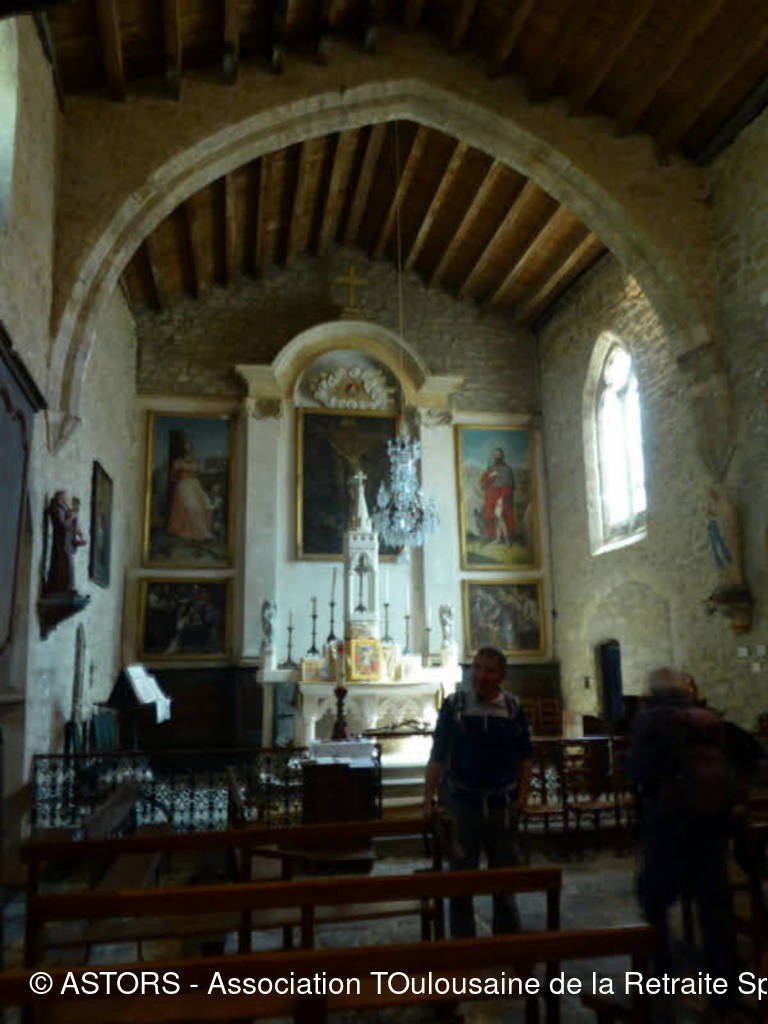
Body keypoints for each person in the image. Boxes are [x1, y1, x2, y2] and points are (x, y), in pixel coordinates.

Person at [627, 667, 739, 1016]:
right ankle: (726, 989)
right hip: (711, 823)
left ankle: (663, 975)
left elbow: (636, 769)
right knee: (714, 906)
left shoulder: (650, 719)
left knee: (653, 898)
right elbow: (743, 760)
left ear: (652, 691)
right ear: (687, 691)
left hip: (668, 824)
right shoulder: (710, 719)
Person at [423, 646, 532, 937]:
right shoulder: (455, 705)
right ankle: (464, 949)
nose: (482, 676)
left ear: (502, 676)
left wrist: (522, 797)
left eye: (490, 671)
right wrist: (428, 798)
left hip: (501, 806)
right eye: (478, 668)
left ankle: (507, 944)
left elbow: (525, 757)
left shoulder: (513, 708)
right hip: (462, 805)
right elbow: (438, 755)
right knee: (461, 882)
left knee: (504, 881)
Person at [167, 439, 214, 542]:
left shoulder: (195, 461)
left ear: (192, 448)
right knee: (193, 506)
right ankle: (198, 533)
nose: (187, 449)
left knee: (208, 505)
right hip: (184, 485)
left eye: (189, 447)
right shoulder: (179, 461)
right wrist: (179, 478)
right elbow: (173, 476)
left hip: (195, 485)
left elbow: (197, 473)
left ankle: (205, 531)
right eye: (185, 447)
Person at [479, 448, 515, 544]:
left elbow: (509, 485)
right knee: (494, 517)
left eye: (498, 454)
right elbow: (483, 482)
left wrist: (501, 498)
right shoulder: (491, 468)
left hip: (502, 496)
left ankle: (507, 538)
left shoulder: (507, 469)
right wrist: (490, 476)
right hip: (491, 496)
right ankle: (497, 537)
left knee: (500, 516)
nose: (496, 456)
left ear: (502, 456)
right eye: (494, 454)